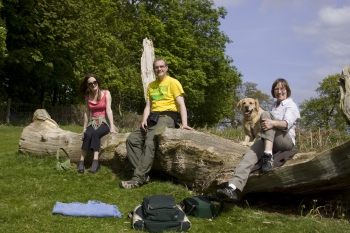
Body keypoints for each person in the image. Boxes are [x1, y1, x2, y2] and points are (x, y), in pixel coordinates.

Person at [217, 78, 300, 201]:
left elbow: (286, 124)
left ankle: (268, 157)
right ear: (273, 91)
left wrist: (272, 123)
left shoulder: (290, 105)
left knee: (265, 116)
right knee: (248, 157)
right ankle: (232, 187)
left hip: (285, 140)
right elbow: (256, 112)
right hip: (269, 140)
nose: (279, 91)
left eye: (282, 89)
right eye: (276, 89)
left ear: (287, 90)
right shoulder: (273, 106)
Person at [119, 58, 194, 189]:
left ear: (166, 68)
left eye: (161, 67)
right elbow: (148, 106)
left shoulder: (173, 82)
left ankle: (137, 179)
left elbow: (181, 105)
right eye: (156, 67)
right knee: (132, 139)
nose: (159, 69)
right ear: (154, 69)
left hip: (167, 116)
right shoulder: (151, 85)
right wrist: (144, 119)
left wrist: (184, 123)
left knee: (149, 141)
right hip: (152, 118)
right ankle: (143, 174)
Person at [78, 74, 117, 174]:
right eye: (90, 83)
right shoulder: (87, 96)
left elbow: (108, 110)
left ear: (97, 82)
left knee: (95, 134)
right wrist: (84, 129)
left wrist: (112, 126)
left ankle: (95, 162)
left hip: (104, 122)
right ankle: (81, 161)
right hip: (93, 122)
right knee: (88, 134)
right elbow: (87, 112)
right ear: (87, 85)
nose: (93, 84)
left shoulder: (106, 93)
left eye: (94, 82)